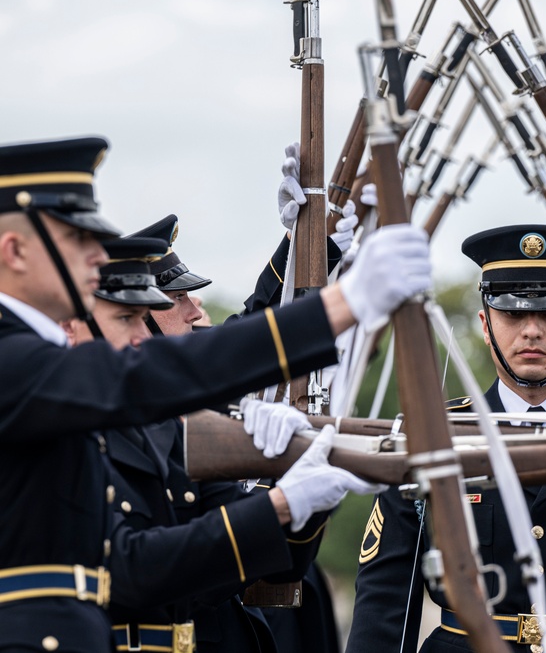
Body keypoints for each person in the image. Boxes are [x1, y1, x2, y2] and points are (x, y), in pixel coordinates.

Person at [0, 135, 429, 652]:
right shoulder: (17, 362)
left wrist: (296, 496)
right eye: (76, 237)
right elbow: (163, 372)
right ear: (14, 250)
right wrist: (339, 305)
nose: (97, 253)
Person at [346, 224, 546, 653]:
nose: (531, 331)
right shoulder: (434, 434)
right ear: (486, 325)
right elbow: (386, 597)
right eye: (512, 314)